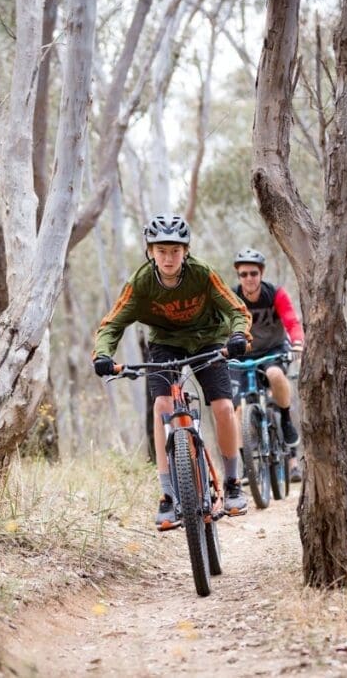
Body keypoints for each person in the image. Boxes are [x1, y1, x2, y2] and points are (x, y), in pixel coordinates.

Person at [92, 214, 253, 528]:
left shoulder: (202, 274)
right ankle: (167, 495)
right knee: (162, 405)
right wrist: (103, 354)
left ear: (186, 251)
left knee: (222, 406)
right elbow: (111, 324)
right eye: (161, 250)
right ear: (150, 251)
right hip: (165, 344)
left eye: (175, 251)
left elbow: (237, 309)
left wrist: (237, 336)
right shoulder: (141, 283)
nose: (168, 257)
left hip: (209, 340)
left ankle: (233, 483)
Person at [230, 248, 305, 480]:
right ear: (238, 276)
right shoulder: (232, 298)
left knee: (275, 374)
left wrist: (298, 343)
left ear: (261, 274)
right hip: (243, 355)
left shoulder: (275, 294)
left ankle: (284, 418)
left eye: (253, 273)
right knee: (237, 409)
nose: (249, 278)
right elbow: (219, 326)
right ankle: (247, 467)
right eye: (243, 274)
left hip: (273, 350)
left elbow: (292, 321)